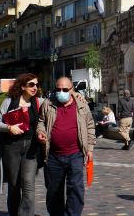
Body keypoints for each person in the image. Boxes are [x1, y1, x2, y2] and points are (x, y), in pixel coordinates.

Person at [37, 76, 95, 216]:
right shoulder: (48, 103)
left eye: (64, 89)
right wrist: (41, 131)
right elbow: (41, 121)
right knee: (53, 191)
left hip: (75, 154)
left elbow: (90, 126)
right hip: (53, 156)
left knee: (75, 189)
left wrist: (90, 148)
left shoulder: (81, 104)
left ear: (72, 90)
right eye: (58, 89)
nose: (60, 92)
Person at [0, 73, 45, 216]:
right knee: (14, 185)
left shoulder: (39, 102)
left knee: (28, 184)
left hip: (31, 148)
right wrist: (9, 128)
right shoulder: (9, 102)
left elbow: (53, 109)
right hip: (11, 147)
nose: (35, 87)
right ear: (22, 86)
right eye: (31, 84)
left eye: (36, 84)